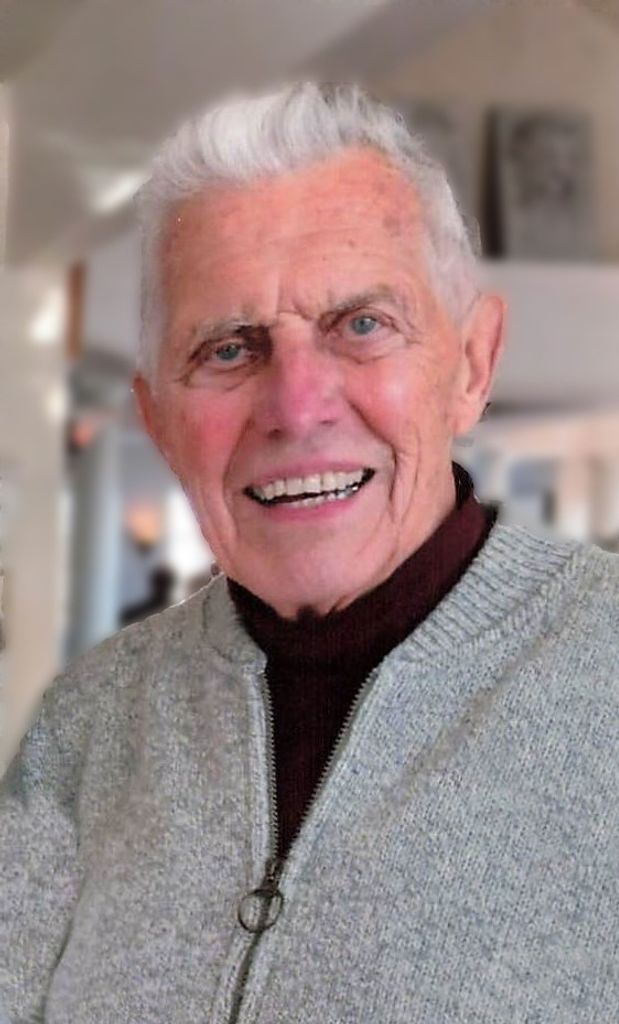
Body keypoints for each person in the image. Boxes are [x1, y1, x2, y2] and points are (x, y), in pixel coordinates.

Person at [1, 82, 617, 1024]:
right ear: (158, 421)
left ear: (472, 364)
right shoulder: (85, 726)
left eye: (361, 325)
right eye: (228, 348)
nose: (296, 407)